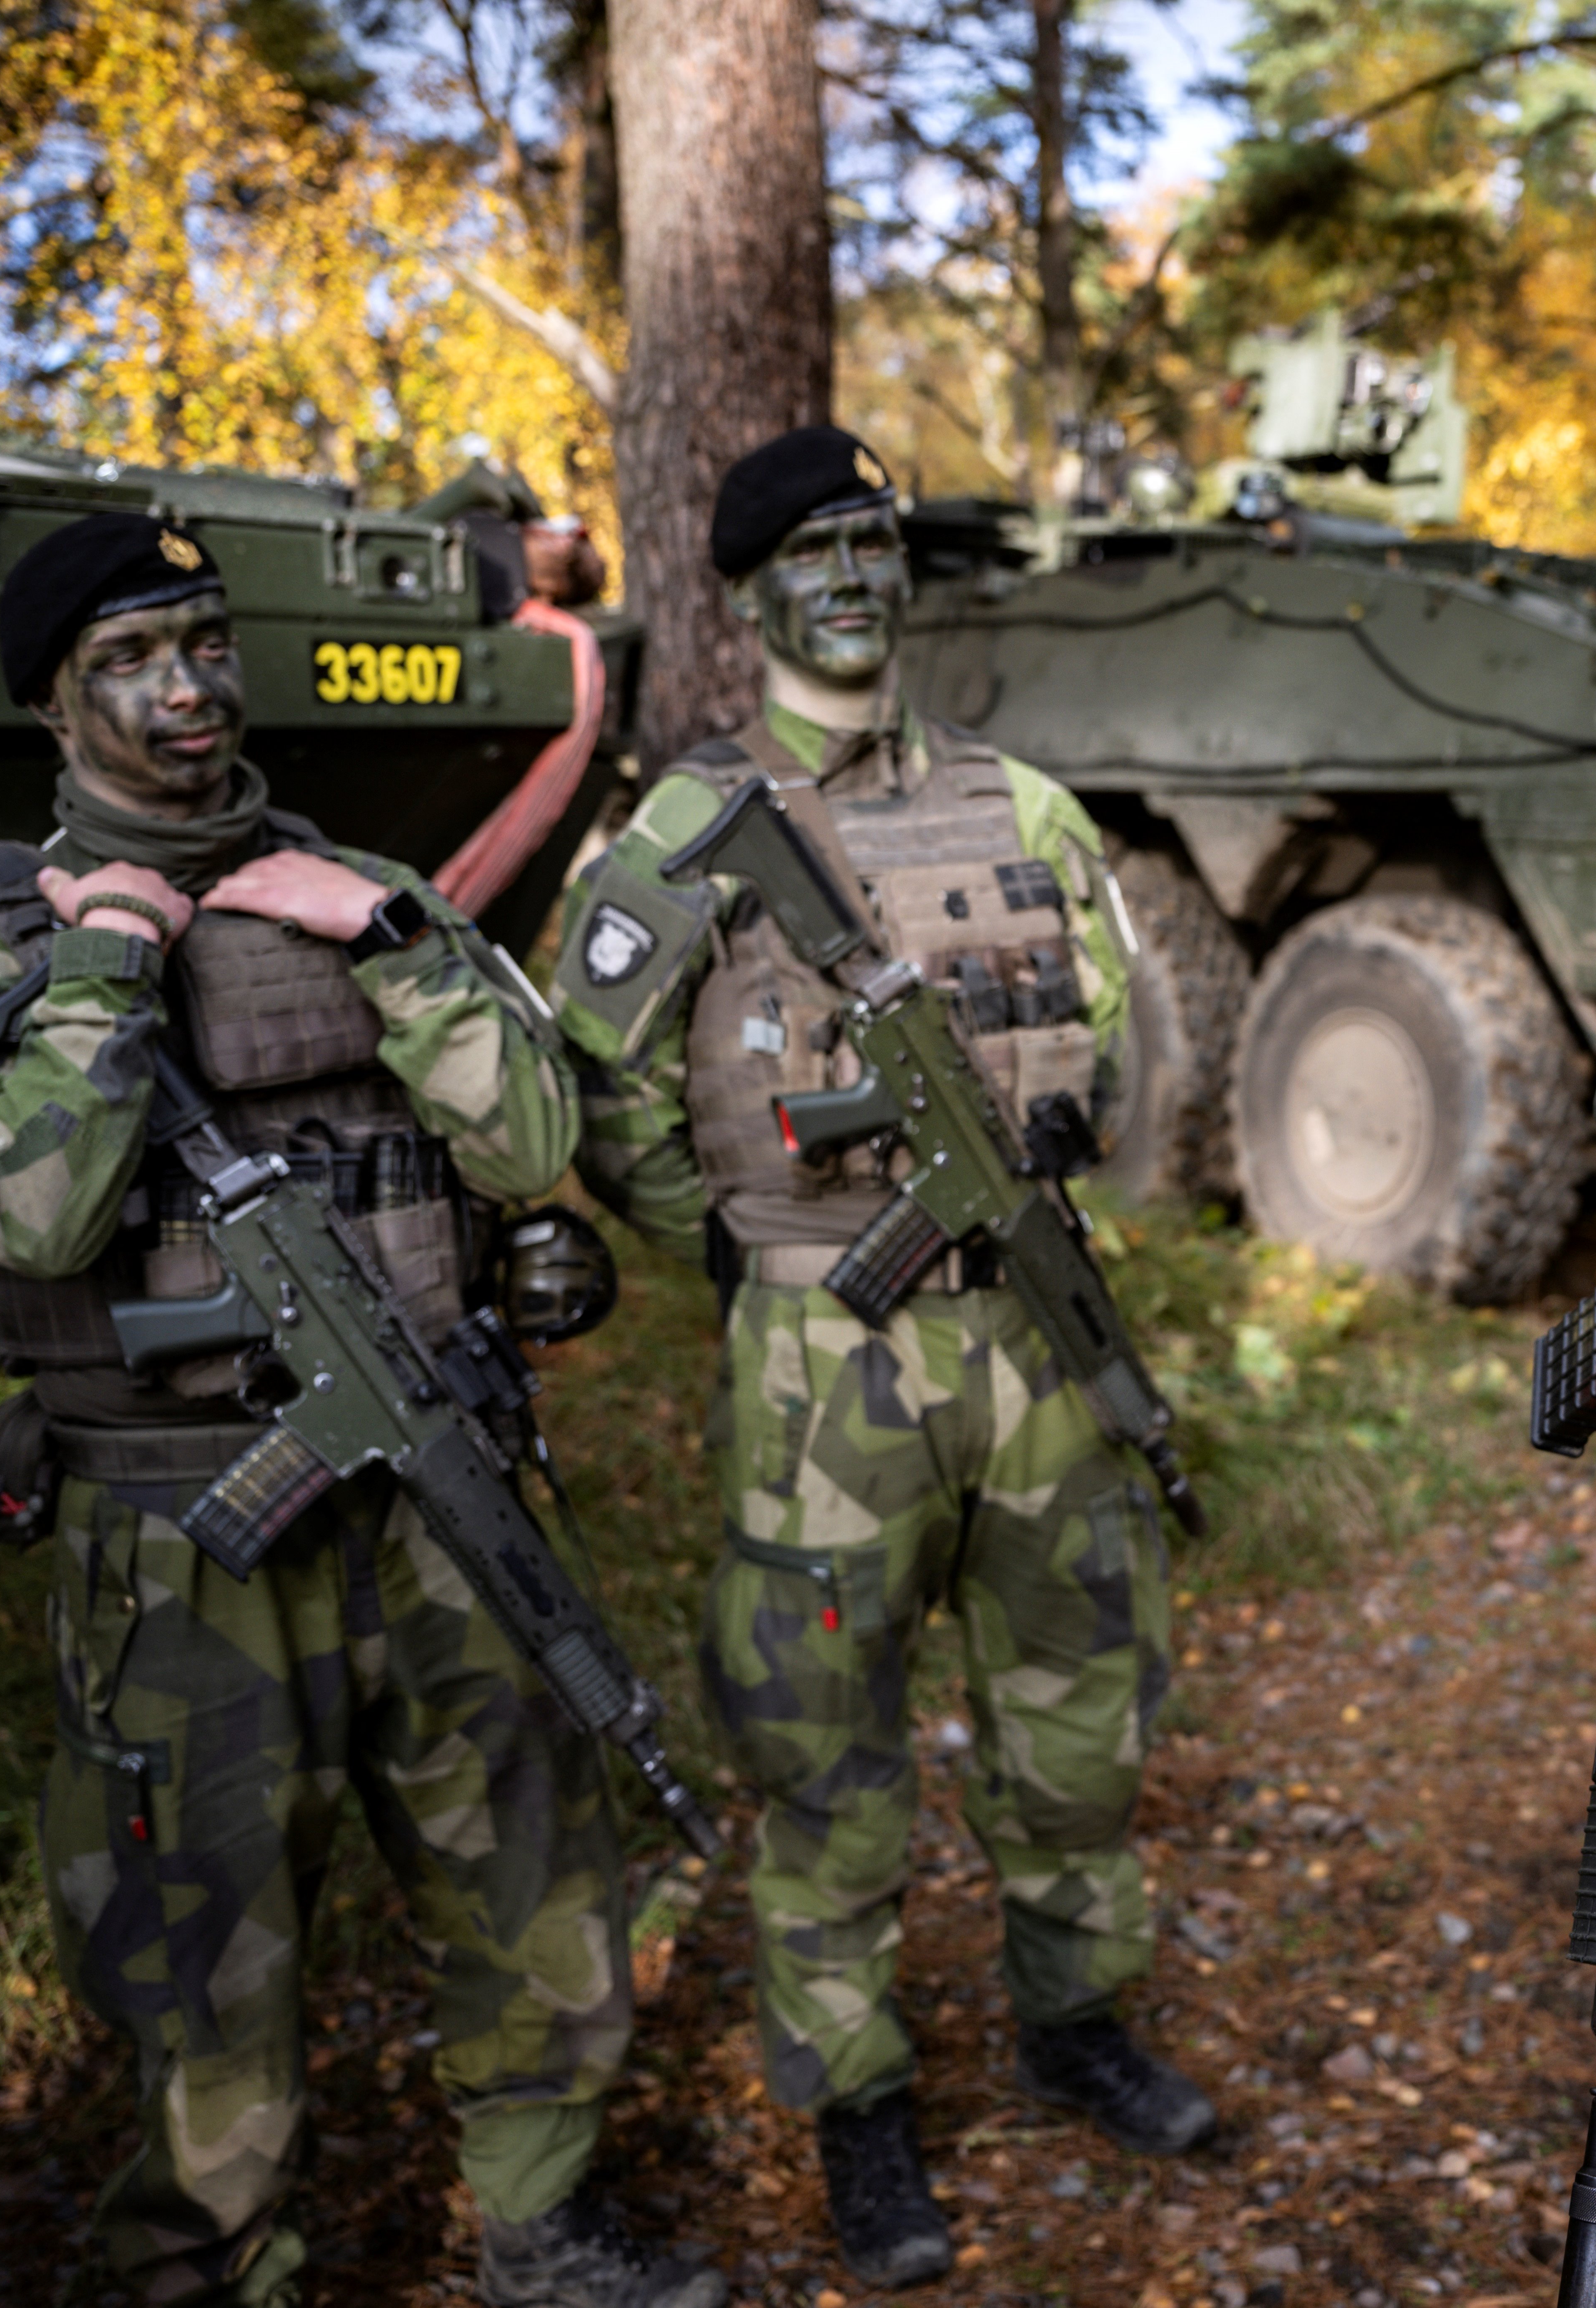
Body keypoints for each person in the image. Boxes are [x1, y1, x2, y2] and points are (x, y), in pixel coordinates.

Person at [0, 514, 716, 2308]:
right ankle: (215, 2271)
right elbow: (26, 1213)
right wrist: (106, 971)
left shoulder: (357, 886)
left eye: (200, 641)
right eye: (126, 659)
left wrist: (394, 945)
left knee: (536, 1878)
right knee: (204, 1959)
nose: (184, 688)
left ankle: (542, 2224)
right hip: (186, 1530)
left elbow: (536, 1144)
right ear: (51, 704)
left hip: (432, 1483)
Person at [552, 427, 1213, 2288]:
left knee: (1078, 1714)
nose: (848, 576)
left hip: (1034, 1330)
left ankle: (1076, 2016)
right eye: (808, 554)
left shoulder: (1025, 803)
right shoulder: (682, 832)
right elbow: (600, 1085)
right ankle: (858, 2103)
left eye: (872, 543)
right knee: (824, 1756)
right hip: (823, 1360)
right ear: (746, 594)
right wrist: (745, 1239)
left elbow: (1098, 1011)